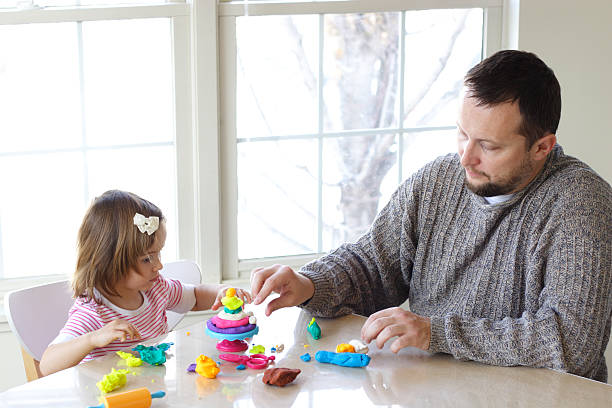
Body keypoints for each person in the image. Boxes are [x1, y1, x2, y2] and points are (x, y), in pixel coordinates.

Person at [250, 50, 612, 382]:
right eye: (462, 133)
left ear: (541, 147)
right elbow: (374, 265)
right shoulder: (437, 181)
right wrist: (309, 283)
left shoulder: (582, 204)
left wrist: (435, 333)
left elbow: (572, 345)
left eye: (488, 145)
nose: (466, 157)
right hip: (434, 389)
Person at [40, 190, 251, 376]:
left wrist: (222, 293)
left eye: (158, 254)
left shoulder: (156, 288)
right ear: (111, 261)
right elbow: (48, 364)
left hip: (154, 391)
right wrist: (92, 339)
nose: (158, 265)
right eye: (147, 258)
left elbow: (195, 296)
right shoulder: (94, 311)